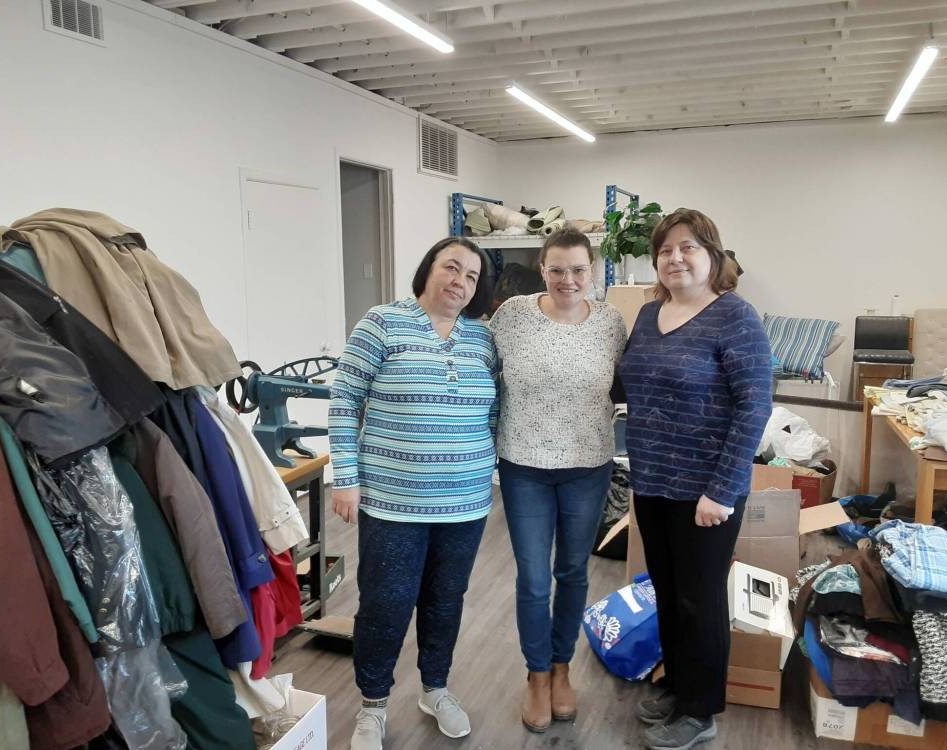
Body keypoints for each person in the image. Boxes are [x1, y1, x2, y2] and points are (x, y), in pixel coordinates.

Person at [328, 237, 498, 750]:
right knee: (386, 603)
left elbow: (491, 411)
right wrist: (346, 477)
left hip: (466, 502)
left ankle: (435, 688)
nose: (460, 282)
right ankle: (372, 705)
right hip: (392, 501)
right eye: (452, 267)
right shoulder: (382, 322)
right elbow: (343, 400)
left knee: (446, 601)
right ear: (428, 270)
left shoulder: (481, 340)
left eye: (471, 276)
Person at [616, 209, 772, 750]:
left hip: (706, 490)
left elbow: (754, 407)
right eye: (665, 250)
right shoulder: (648, 314)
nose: (675, 258)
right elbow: (625, 385)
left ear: (713, 255)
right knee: (666, 591)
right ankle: (679, 683)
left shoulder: (735, 316)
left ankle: (701, 709)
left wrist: (722, 490)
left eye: (687, 247)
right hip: (652, 481)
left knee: (699, 599)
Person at [489, 228, 627, 733]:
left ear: (592, 271)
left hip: (587, 466)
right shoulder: (513, 317)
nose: (568, 280)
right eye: (557, 269)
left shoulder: (611, 322)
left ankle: (563, 668)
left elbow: (627, 385)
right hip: (523, 466)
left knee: (572, 571)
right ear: (543, 270)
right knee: (532, 577)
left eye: (578, 270)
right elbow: (484, 374)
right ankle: (537, 675)